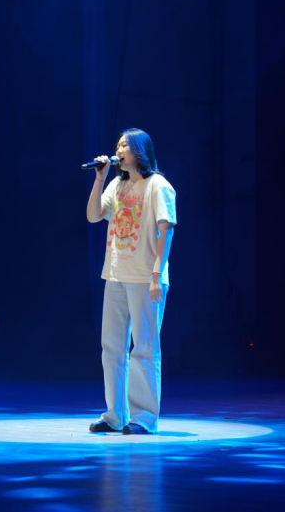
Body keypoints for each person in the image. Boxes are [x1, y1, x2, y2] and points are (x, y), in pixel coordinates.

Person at [85, 128, 176, 434]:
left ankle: (144, 418)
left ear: (140, 150)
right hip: (116, 274)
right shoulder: (116, 185)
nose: (119, 149)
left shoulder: (158, 186)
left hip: (145, 278)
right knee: (111, 347)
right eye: (118, 144)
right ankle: (115, 415)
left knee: (144, 349)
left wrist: (156, 275)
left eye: (125, 145)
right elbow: (93, 216)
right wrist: (99, 179)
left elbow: (167, 231)